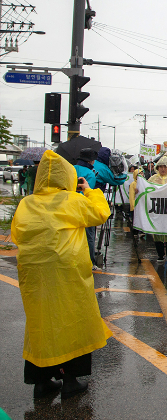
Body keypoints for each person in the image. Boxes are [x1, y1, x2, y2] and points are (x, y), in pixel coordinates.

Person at [11, 150, 112, 399]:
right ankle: (70, 380)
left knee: (41, 324)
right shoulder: (72, 201)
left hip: (34, 276)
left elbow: (16, 233)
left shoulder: (27, 203)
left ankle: (41, 382)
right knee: (73, 321)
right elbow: (101, 213)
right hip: (68, 275)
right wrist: (89, 190)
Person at [148, 156, 167, 264]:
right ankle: (160, 255)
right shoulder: (152, 179)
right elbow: (146, 190)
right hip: (157, 209)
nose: (162, 169)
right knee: (157, 232)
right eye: (160, 167)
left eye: (164, 167)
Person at [74, 148, 100, 268]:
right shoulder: (90, 174)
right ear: (91, 161)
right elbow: (88, 193)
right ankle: (90, 262)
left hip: (68, 207)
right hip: (84, 208)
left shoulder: (71, 169)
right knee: (89, 236)